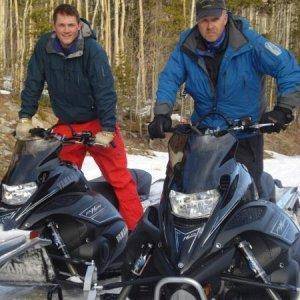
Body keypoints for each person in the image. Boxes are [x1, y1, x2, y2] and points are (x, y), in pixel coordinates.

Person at [148, 0, 299, 195]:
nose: (209, 26)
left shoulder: (250, 43)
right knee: (183, 190)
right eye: (204, 20)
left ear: (225, 17)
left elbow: (287, 67)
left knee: (248, 194)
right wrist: (162, 114)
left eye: (215, 19)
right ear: (197, 21)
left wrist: (283, 110)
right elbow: (169, 78)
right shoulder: (187, 47)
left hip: (244, 133)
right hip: (203, 135)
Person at [15, 4, 143, 230]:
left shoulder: (92, 50)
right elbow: (34, 81)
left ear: (79, 25)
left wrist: (107, 129)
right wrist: (26, 116)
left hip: (98, 124)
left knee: (119, 179)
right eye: (61, 25)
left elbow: (104, 90)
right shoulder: (44, 47)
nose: (66, 30)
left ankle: (136, 231)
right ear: (54, 27)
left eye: (71, 25)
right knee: (57, 181)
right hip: (67, 125)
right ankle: (63, 232)